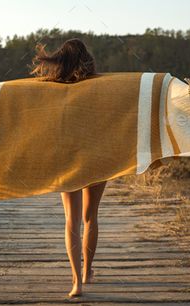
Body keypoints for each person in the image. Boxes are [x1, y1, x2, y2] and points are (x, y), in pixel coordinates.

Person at [30, 38, 107, 297]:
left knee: (71, 221)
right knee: (90, 217)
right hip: (96, 157)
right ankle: (88, 271)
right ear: (88, 60)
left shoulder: (51, 90)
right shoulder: (102, 88)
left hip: (67, 159)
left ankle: (77, 282)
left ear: (60, 61)